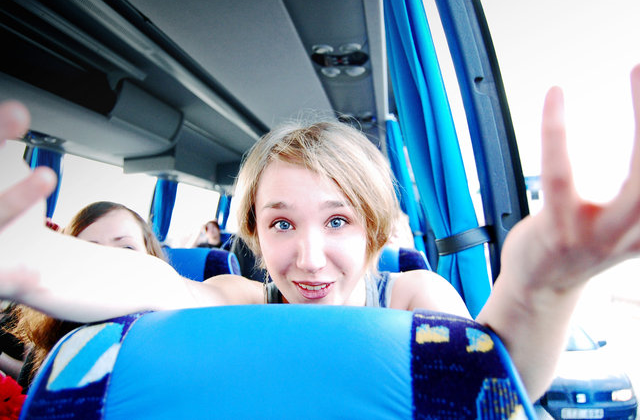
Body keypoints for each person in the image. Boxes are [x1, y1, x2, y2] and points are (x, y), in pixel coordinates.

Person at [2, 64, 640, 402]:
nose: (309, 259)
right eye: (281, 223)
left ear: (375, 230)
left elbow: (491, 381)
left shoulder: (415, 301)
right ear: (254, 235)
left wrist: (543, 289)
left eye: (338, 220)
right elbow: (155, 284)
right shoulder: (240, 300)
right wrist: (41, 263)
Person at [7, 201, 166, 389]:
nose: (110, 263)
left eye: (127, 248)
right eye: (90, 251)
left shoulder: (167, 338)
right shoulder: (53, 334)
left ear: (150, 257)